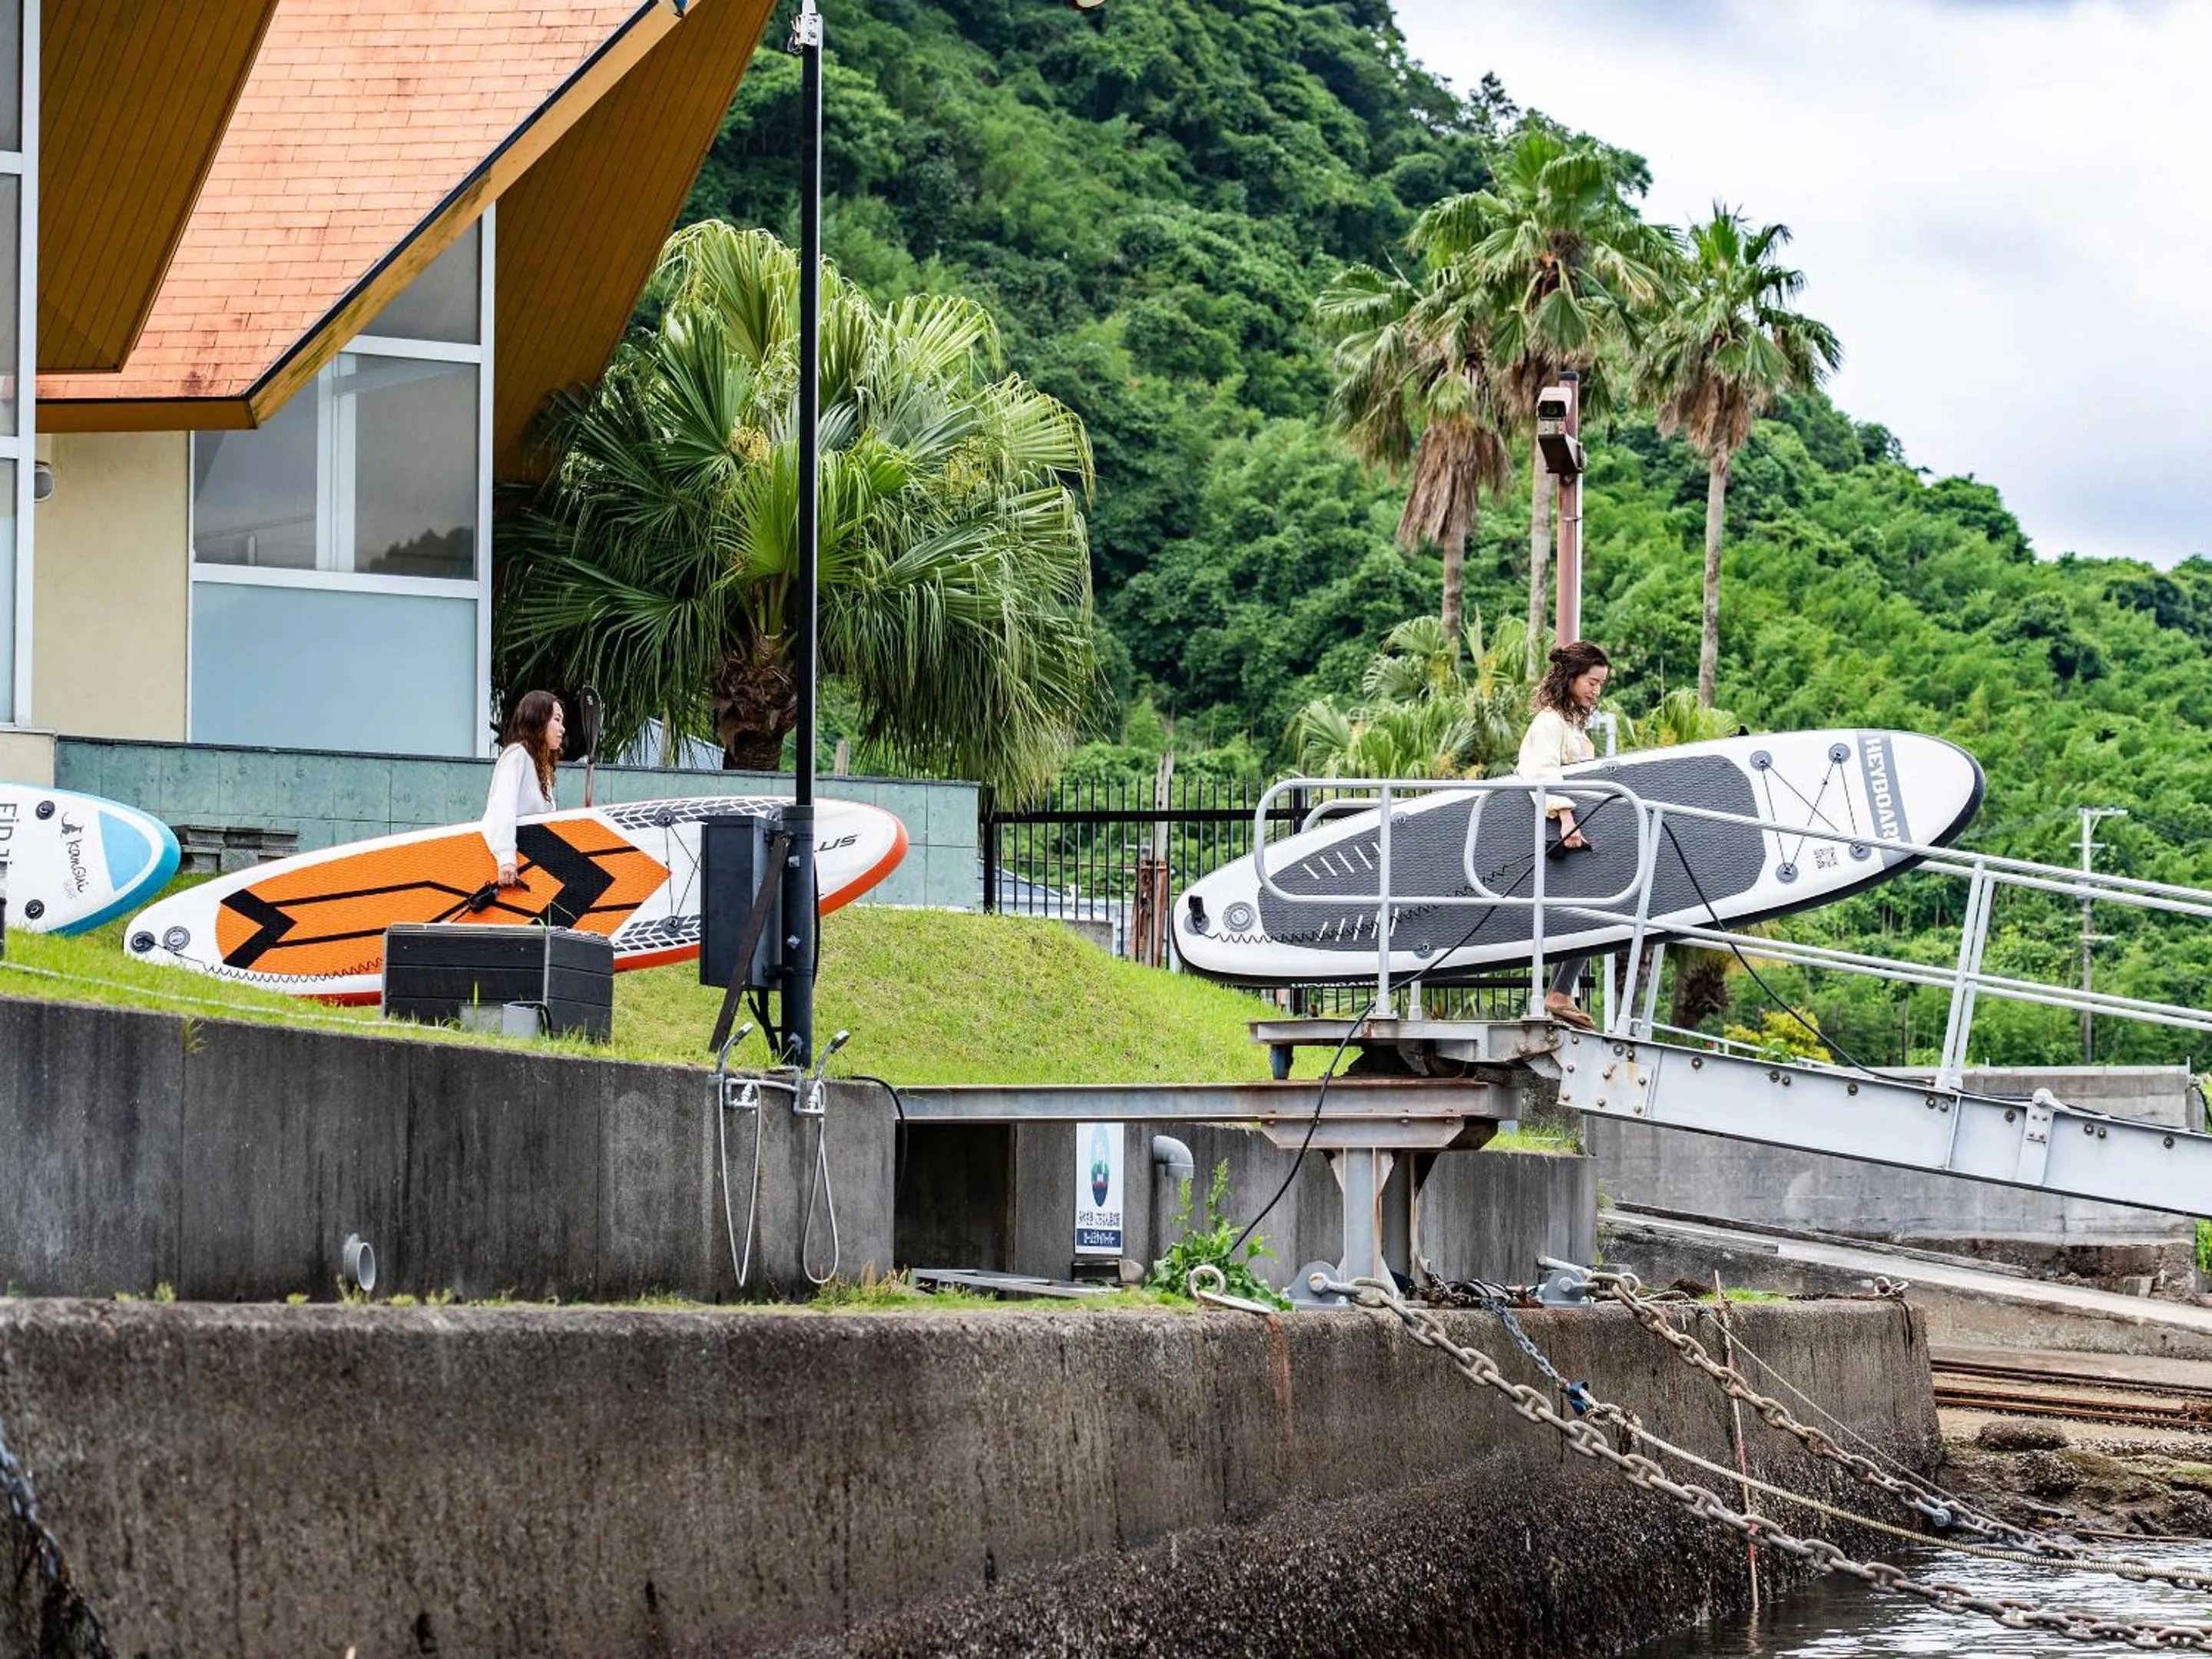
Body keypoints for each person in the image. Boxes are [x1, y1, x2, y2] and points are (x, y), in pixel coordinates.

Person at [1515, 641, 1611, 1029]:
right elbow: (1542, 773)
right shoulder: (1550, 723)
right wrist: (1567, 817)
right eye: (1591, 681)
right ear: (1570, 678)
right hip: (1555, 833)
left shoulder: (1571, 725)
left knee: (1597, 910)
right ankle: (1558, 992)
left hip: (1567, 833)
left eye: (1602, 684)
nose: (1596, 690)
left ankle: (1560, 992)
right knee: (1596, 909)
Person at [483, 690, 565, 886]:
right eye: (557, 719)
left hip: (535, 862)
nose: (562, 728)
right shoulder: (517, 755)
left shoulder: (540, 767)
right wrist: (506, 859)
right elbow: (502, 808)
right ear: (538, 719)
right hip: (515, 864)